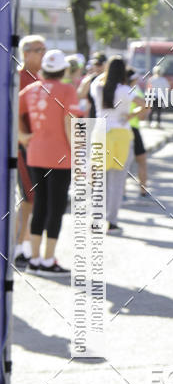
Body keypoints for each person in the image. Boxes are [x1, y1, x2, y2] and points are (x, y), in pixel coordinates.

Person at [19, 49, 80, 275]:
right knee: (56, 209)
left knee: (40, 206)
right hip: (61, 157)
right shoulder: (67, 90)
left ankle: (34, 259)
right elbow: (69, 124)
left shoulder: (31, 90)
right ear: (64, 69)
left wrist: (22, 136)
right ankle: (48, 260)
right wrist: (79, 155)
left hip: (35, 153)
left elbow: (11, 110)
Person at [91, 55, 143, 233]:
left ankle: (96, 220)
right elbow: (145, 105)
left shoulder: (97, 88)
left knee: (100, 180)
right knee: (118, 180)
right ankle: (111, 222)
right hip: (121, 133)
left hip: (100, 132)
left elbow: (95, 80)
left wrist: (105, 72)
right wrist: (130, 115)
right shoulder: (125, 90)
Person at [15, 34, 47, 266]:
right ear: (26, 53)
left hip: (38, 149)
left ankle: (22, 246)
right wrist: (22, 137)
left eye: (45, 49)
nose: (43, 53)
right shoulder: (18, 78)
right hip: (22, 148)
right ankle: (19, 248)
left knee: (30, 199)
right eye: (39, 49)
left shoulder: (39, 78)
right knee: (29, 197)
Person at [126, 67, 150, 197]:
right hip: (133, 129)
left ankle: (121, 192)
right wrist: (135, 115)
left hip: (117, 129)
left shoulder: (117, 90)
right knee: (141, 160)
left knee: (122, 163)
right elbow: (146, 106)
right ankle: (143, 189)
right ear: (134, 79)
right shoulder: (135, 91)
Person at [78, 52, 107, 118]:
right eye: (95, 64)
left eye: (99, 64)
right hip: (92, 116)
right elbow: (79, 96)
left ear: (105, 65)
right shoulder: (89, 80)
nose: (97, 67)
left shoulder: (110, 80)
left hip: (108, 118)